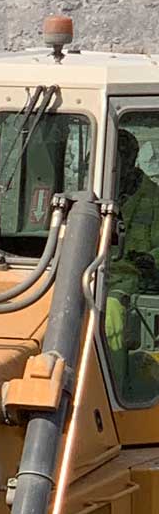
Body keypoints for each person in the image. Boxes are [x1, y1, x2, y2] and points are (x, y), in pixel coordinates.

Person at [105, 128, 159, 399]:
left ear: (131, 159)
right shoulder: (95, 194)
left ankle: (113, 389)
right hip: (91, 273)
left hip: (133, 280)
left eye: (119, 159)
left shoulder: (153, 198)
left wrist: (151, 258)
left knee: (111, 312)